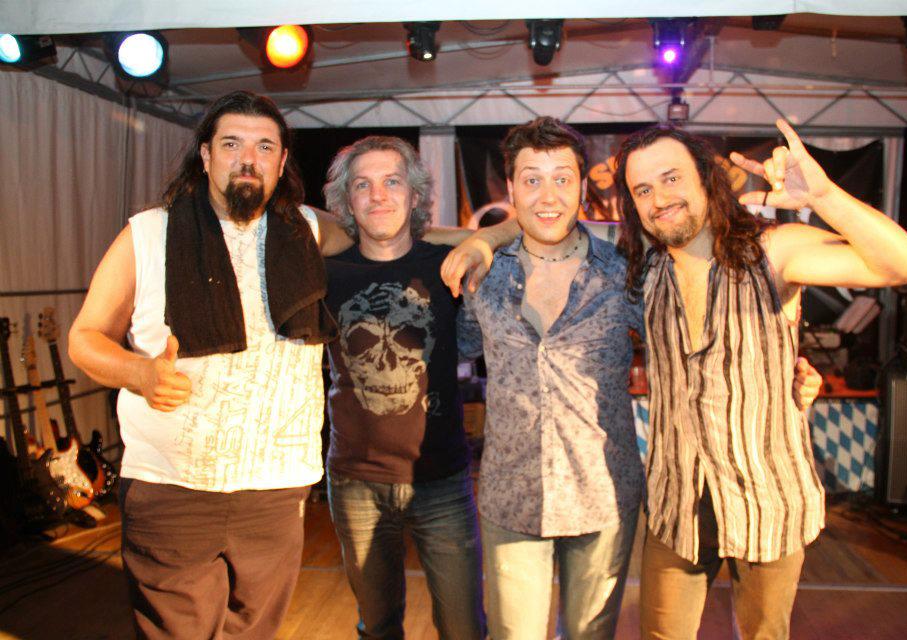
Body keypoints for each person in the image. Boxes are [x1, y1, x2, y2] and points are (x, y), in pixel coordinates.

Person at [614, 119, 907, 640]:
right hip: (678, 501)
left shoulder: (772, 251)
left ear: (705, 178)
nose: (659, 199)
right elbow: (547, 230)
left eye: (671, 178)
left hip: (768, 497)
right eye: (642, 189)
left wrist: (824, 196)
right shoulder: (646, 272)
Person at [68, 91, 352, 639]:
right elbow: (84, 338)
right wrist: (139, 374)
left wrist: (483, 240)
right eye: (231, 144)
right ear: (205, 155)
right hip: (173, 489)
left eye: (264, 147)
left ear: (282, 161)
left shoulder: (309, 229)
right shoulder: (148, 233)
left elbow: (387, 237)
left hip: (276, 490)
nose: (248, 159)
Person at [456, 117, 646, 640]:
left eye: (562, 178)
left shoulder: (622, 273)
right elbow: (454, 347)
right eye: (532, 179)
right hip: (511, 494)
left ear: (583, 187)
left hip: (603, 496)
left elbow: (684, 345)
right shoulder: (482, 276)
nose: (547, 195)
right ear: (511, 188)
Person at [320, 136, 484, 639]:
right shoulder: (326, 275)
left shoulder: (449, 265)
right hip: (355, 481)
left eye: (392, 182)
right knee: (378, 626)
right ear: (347, 202)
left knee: (464, 628)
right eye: (362, 185)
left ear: (414, 195)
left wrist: (479, 250)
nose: (378, 196)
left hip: (442, 481)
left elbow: (470, 344)